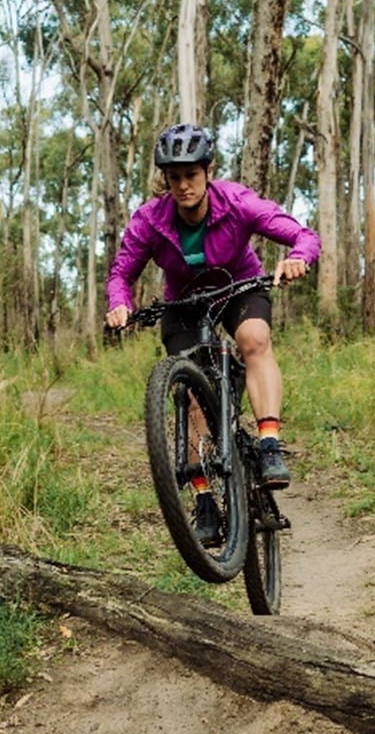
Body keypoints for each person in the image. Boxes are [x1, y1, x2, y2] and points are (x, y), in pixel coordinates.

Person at [105, 122, 319, 492]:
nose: (184, 184)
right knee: (190, 392)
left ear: (208, 172)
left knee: (253, 339)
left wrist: (298, 257)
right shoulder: (149, 221)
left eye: (191, 174)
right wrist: (119, 305)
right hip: (183, 303)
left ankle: (269, 445)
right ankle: (202, 495)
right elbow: (121, 274)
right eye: (175, 177)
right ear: (165, 180)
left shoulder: (238, 203)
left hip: (239, 288)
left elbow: (303, 235)